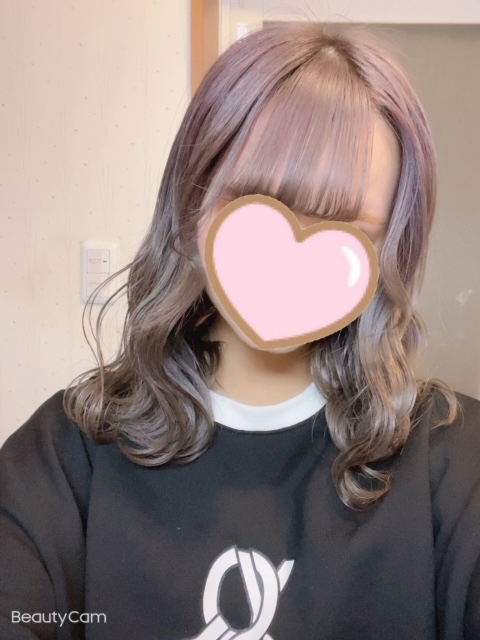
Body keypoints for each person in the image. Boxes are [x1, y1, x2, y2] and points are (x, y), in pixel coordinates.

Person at [1, 21, 479, 640]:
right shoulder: (65, 458)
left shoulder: (454, 461)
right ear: (191, 203)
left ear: (390, 248)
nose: (293, 254)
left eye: (349, 228)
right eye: (255, 202)